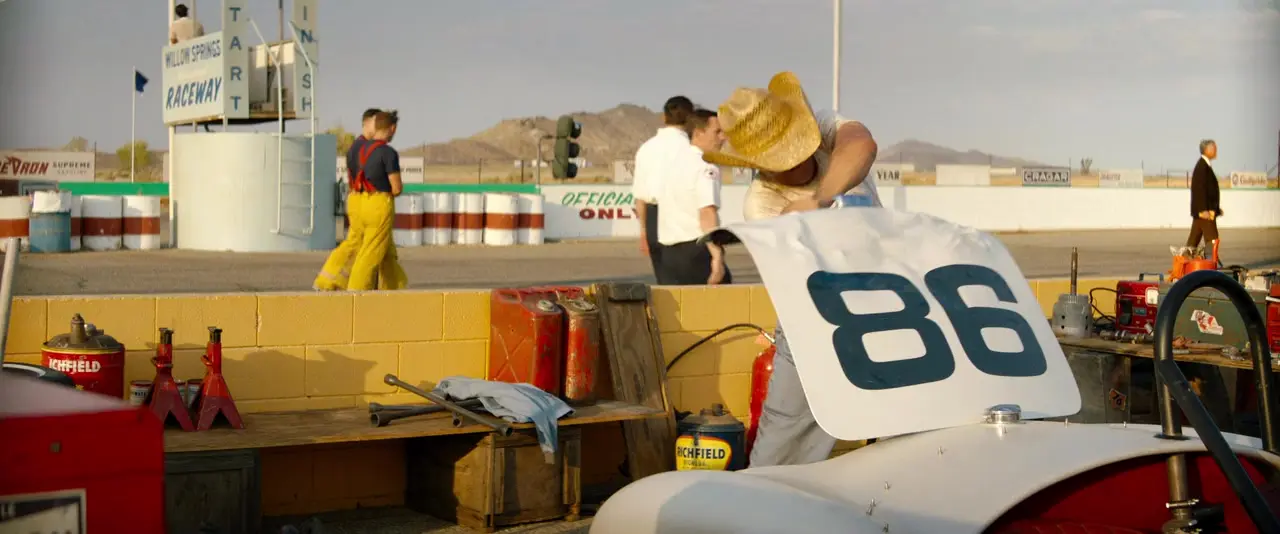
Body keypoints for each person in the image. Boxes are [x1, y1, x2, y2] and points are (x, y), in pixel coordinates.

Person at [701, 71, 880, 467]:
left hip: (889, 298)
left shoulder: (826, 126)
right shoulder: (762, 204)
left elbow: (862, 145)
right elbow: (802, 283)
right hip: (821, 317)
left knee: (920, 425)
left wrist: (819, 199)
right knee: (781, 449)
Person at [654, 108, 730, 286]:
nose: (723, 138)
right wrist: (717, 256)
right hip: (697, 252)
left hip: (669, 255)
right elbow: (707, 213)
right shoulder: (705, 167)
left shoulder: (672, 165)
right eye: (717, 132)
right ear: (698, 133)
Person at [314, 108, 383, 291]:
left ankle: (334, 281)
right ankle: (343, 282)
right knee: (363, 245)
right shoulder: (364, 148)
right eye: (377, 123)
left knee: (359, 244)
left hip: (358, 199)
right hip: (365, 199)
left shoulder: (359, 147)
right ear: (366, 123)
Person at [632, 96, 695, 284]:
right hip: (684, 217)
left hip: (654, 218)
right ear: (691, 118)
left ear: (664, 117)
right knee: (695, 283)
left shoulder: (647, 148)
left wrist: (644, 232)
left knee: (667, 283)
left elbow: (641, 197)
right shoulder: (691, 148)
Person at [347, 111, 408, 291]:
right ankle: (355, 293)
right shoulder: (388, 153)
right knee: (370, 254)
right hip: (379, 206)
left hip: (358, 202)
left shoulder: (359, 148)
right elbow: (396, 188)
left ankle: (395, 288)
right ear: (392, 128)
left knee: (387, 253)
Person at [1186, 139, 1222, 258]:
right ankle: (1211, 264)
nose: (1216, 151)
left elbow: (1208, 190)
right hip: (1205, 213)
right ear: (1207, 150)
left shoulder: (1205, 165)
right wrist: (1203, 210)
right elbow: (1199, 189)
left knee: (1193, 242)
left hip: (1205, 211)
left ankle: (1183, 262)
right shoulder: (1202, 166)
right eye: (1214, 148)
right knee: (1212, 239)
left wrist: (1216, 208)